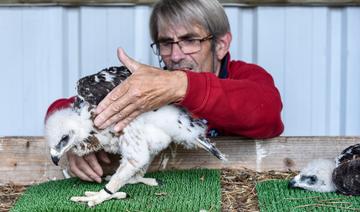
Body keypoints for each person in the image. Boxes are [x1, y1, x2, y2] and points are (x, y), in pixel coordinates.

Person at [67, 0, 284, 183]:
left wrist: (182, 87)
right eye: (166, 43)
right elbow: (67, 107)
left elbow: (267, 112)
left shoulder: (246, 75)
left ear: (221, 45)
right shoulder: (146, 89)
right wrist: (73, 139)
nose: (176, 55)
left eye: (190, 40)